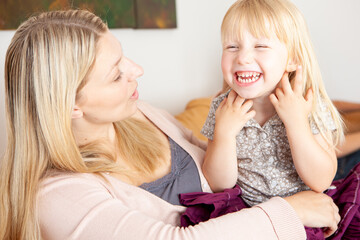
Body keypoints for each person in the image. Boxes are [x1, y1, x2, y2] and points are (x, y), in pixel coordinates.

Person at [0, 9, 341, 240]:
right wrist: (288, 211)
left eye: (124, 57)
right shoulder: (56, 197)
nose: (137, 70)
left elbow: (223, 164)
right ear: (71, 105)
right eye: (116, 73)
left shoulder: (138, 113)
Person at [200, 0, 359, 239]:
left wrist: (296, 122)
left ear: (292, 59)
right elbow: (219, 185)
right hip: (250, 216)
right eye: (232, 46)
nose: (242, 57)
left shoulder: (310, 105)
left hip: (306, 214)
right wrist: (224, 134)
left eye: (260, 46)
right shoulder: (222, 107)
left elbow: (321, 179)